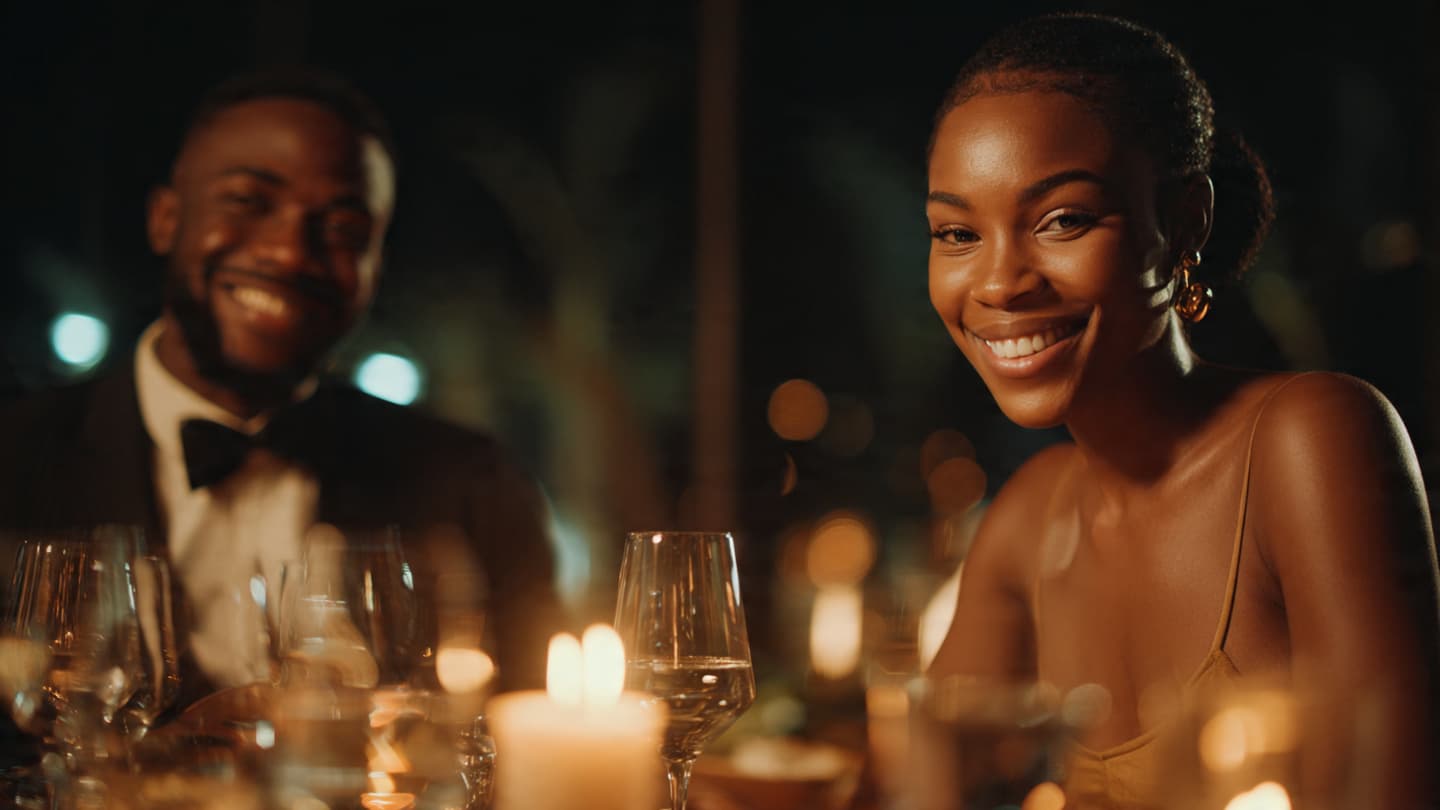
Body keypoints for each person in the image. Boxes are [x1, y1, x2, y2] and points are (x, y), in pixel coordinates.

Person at [924, 14, 1439, 809]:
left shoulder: (1311, 438)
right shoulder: (1028, 522)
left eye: (1063, 220)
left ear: (1184, 222)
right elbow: (912, 785)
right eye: (958, 232)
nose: (998, 283)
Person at [0, 69, 562, 751]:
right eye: (248, 201)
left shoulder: (474, 484)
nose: (290, 252)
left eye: (344, 229)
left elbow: (540, 743)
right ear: (166, 219)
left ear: (375, 267)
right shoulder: (17, 462)